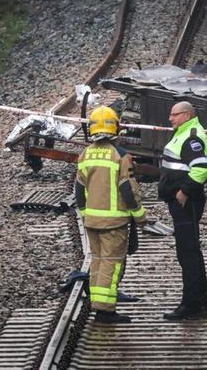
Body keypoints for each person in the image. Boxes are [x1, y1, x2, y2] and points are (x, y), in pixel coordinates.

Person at [75, 105, 147, 325]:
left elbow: (79, 189)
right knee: (112, 264)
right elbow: (128, 189)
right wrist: (140, 216)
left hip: (92, 221)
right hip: (113, 222)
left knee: (97, 261)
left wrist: (86, 214)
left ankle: (98, 304)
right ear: (116, 127)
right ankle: (106, 311)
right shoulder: (121, 156)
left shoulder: (86, 154)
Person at [159, 100, 207, 320]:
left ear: (187, 115)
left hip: (186, 203)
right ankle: (197, 303)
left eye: (174, 114)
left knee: (188, 253)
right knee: (189, 253)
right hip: (182, 202)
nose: (170, 118)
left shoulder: (191, 137)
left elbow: (201, 169)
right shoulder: (183, 132)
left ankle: (192, 306)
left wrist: (184, 192)